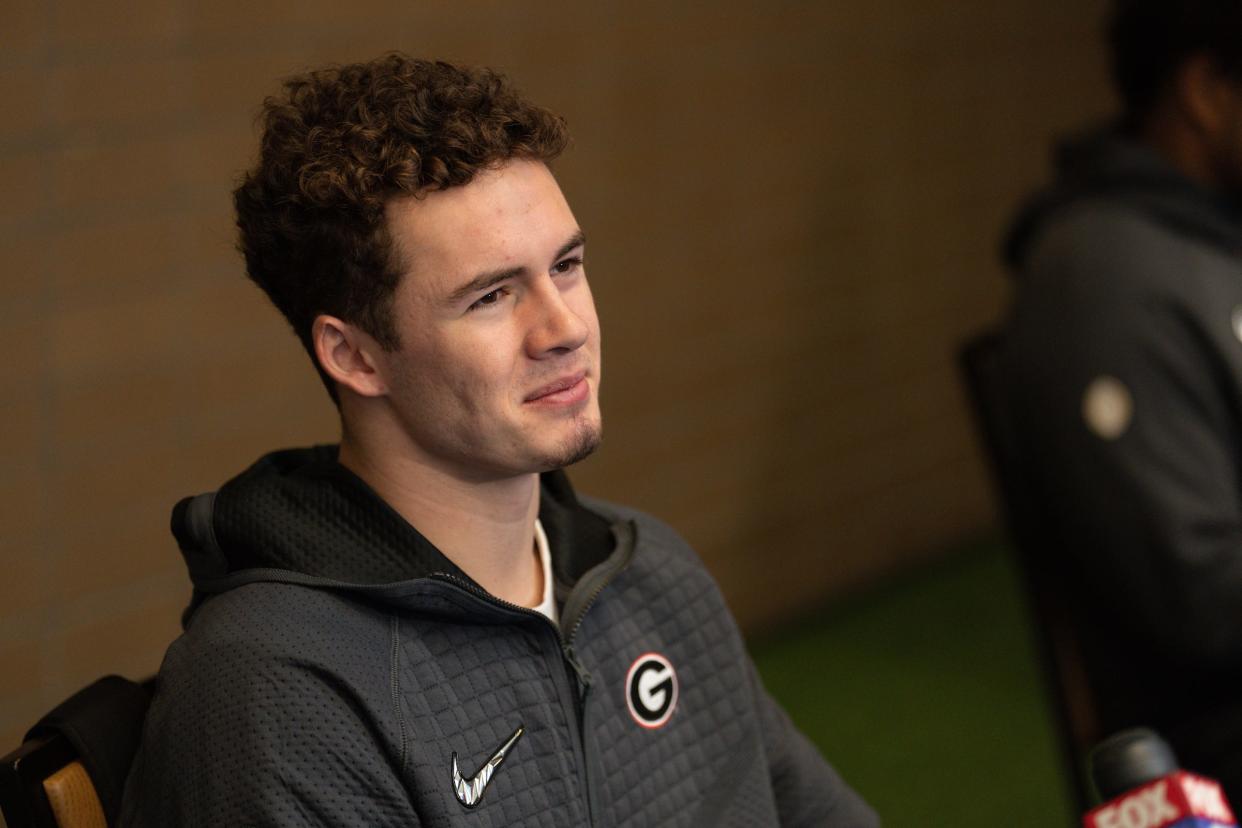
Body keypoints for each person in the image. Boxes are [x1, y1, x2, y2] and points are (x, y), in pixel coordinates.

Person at [118, 54, 877, 826]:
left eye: (567, 266)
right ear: (354, 356)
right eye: (491, 296)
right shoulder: (280, 689)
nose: (566, 327)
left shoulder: (652, 579)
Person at [997, 0, 1242, 800]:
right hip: (1211, 754)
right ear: (1206, 90)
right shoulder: (1106, 282)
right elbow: (1199, 597)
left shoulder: (1209, 239)